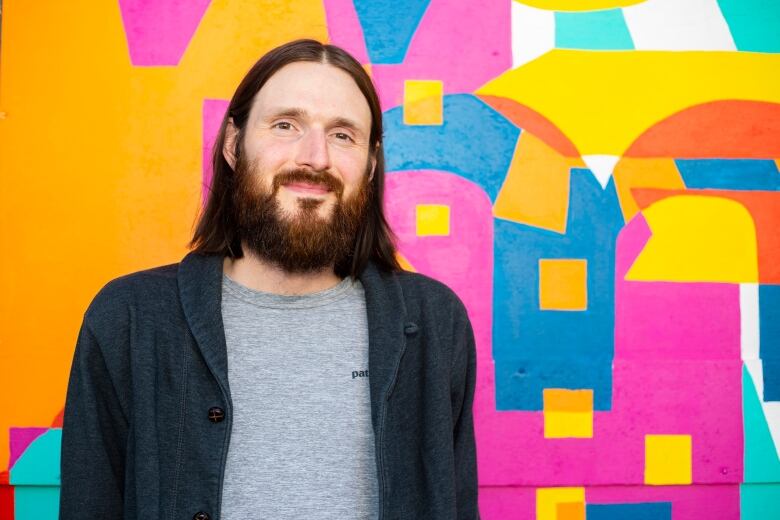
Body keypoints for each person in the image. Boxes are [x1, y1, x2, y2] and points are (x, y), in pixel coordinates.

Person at [59, 39, 479, 520]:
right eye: (286, 125)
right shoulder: (129, 319)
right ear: (234, 144)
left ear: (371, 164)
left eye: (343, 135)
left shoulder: (434, 324)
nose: (315, 157)